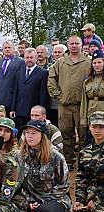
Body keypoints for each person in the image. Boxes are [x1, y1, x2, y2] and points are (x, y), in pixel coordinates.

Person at [48, 35, 91, 170]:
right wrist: (57, 95)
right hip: (65, 105)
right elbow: (51, 78)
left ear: (81, 45)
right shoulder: (61, 62)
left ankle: (85, 160)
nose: (74, 46)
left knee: (83, 134)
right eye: (71, 43)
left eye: (76, 43)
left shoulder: (88, 61)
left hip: (83, 105)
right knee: (66, 134)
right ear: (68, 45)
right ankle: (69, 160)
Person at [14, 119, 72, 212]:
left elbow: (64, 185)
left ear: (43, 135)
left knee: (43, 210)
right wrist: (29, 201)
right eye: (27, 133)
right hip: (27, 199)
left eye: (34, 133)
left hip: (55, 199)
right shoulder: (18, 156)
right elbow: (17, 184)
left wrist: (41, 201)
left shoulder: (56, 157)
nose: (29, 136)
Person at [11, 48, 49, 135]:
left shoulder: (43, 73)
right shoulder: (19, 73)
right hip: (20, 111)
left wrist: (41, 111)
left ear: (36, 58)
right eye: (27, 57)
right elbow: (15, 91)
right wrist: (13, 108)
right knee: (21, 135)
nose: (29, 60)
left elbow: (43, 94)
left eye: (31, 57)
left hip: (34, 112)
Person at [74, 111, 104, 211]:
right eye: (94, 127)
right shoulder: (85, 152)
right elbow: (82, 177)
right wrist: (80, 199)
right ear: (90, 127)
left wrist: (97, 200)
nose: (97, 131)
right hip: (90, 196)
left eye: (101, 127)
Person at [0, 41, 26, 117]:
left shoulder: (20, 62)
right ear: (2, 50)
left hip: (12, 99)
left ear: (13, 49)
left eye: (9, 47)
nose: (7, 49)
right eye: (5, 48)